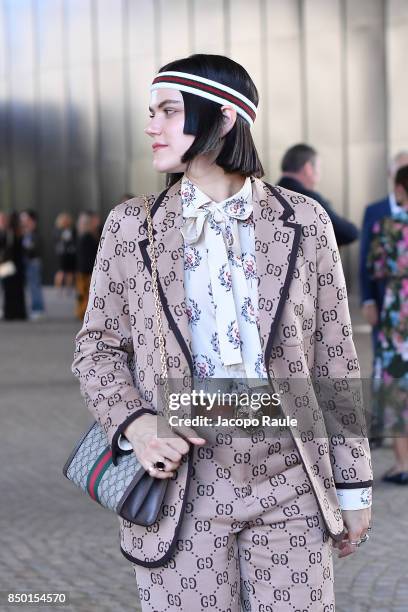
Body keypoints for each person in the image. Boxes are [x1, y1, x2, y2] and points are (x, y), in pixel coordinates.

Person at [71, 54, 372, 610]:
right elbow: (97, 349)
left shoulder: (303, 221)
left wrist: (353, 487)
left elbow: (335, 358)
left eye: (168, 110)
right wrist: (136, 426)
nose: (150, 125)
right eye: (151, 111)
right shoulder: (131, 225)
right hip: (182, 480)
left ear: (226, 118)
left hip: (292, 478)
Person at [359, 150, 408, 445]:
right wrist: (367, 300)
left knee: (392, 367)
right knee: (386, 364)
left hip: (397, 307)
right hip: (386, 306)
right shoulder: (376, 211)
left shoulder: (390, 228)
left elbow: (375, 264)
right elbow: (366, 259)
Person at [277, 143, 359, 246]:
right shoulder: (309, 199)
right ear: (308, 169)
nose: (320, 174)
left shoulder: (266, 196)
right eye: (319, 167)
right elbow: (348, 233)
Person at [20, 209, 46, 320]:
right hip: (27, 262)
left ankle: (38, 309)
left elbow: (34, 248)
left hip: (33, 262)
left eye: (25, 218)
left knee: (35, 286)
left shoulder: (35, 233)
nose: (23, 221)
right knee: (31, 287)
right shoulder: (25, 233)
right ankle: (35, 309)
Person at [1, 212, 27, 321]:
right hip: (19, 265)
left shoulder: (9, 233)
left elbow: (7, 250)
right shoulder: (20, 233)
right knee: (19, 290)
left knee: (8, 290)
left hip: (9, 265)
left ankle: (9, 313)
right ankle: (20, 313)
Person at [74, 211, 100, 320]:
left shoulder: (86, 238)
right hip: (85, 271)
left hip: (85, 271)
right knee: (84, 294)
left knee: (85, 294)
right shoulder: (86, 237)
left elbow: (89, 257)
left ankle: (84, 313)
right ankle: (83, 312)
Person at [54, 212, 77, 293]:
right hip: (62, 254)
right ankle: (58, 288)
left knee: (70, 271)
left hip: (71, 253)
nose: (66, 221)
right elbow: (58, 241)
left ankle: (68, 288)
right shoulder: (58, 230)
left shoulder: (72, 230)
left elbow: (74, 240)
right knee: (61, 271)